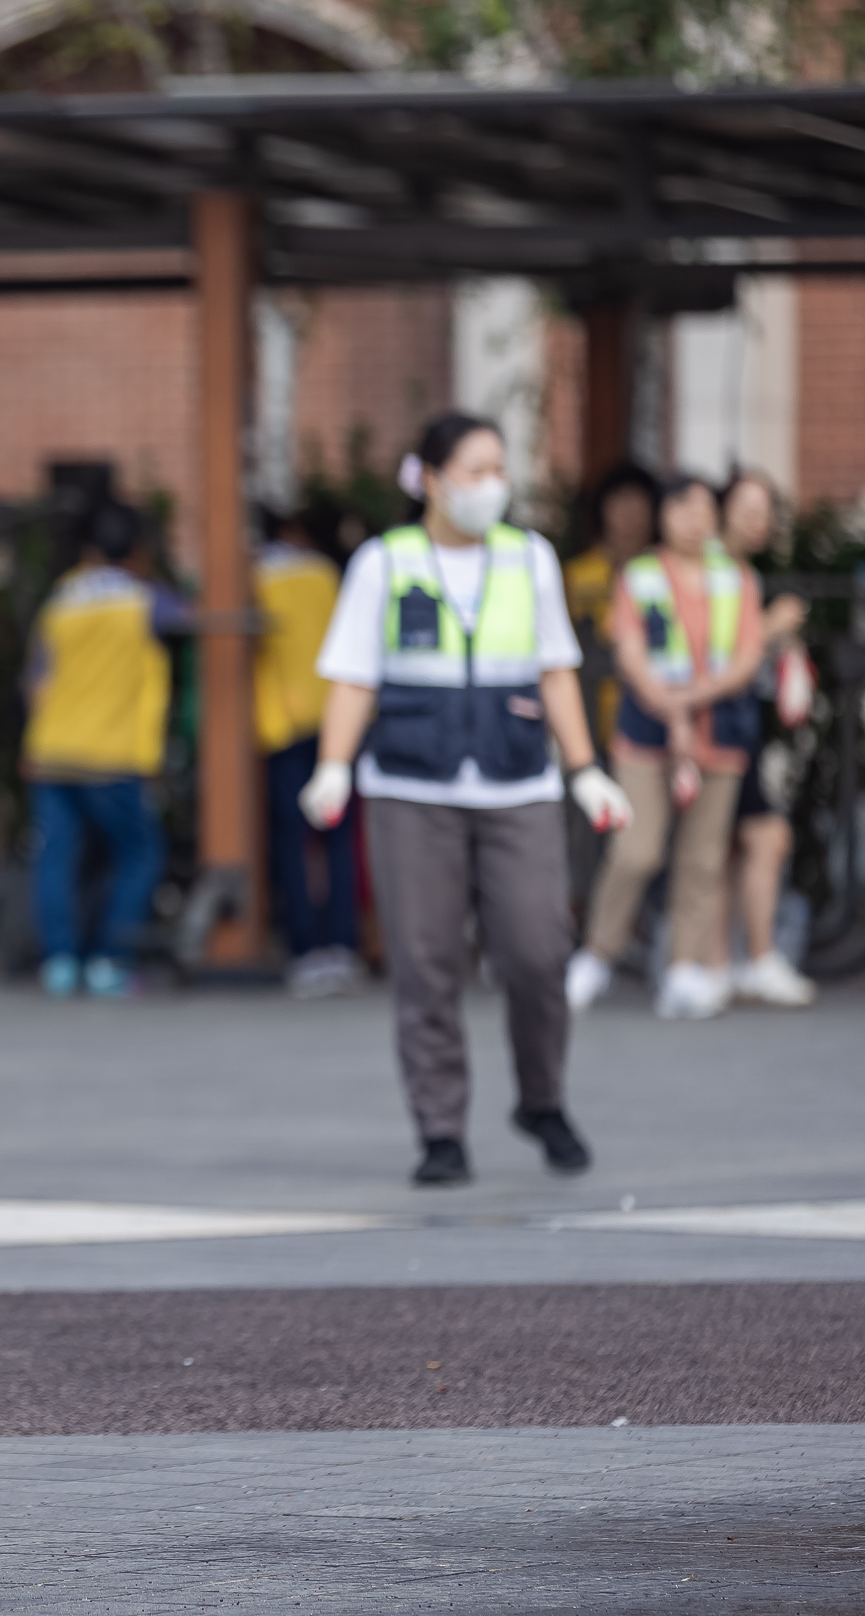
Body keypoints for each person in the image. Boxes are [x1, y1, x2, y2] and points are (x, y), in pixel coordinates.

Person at [301, 412, 631, 1188]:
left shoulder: (530, 559)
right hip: (412, 788)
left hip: (518, 783)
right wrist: (333, 765)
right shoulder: (385, 563)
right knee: (425, 961)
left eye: (499, 470)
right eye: (477, 469)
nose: (493, 486)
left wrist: (585, 770)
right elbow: (354, 673)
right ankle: (441, 1129)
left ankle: (540, 1099)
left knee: (537, 947)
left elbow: (556, 670)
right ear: (432, 477)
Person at [569, 475, 767, 1021]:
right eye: (681, 508)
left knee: (702, 857)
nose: (694, 520)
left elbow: (747, 657)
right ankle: (596, 955)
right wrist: (673, 709)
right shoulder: (640, 576)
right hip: (646, 730)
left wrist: (690, 704)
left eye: (704, 509)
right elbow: (630, 654)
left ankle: (684, 967)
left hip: (718, 730)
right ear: (664, 517)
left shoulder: (736, 578)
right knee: (638, 849)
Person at [20, 495, 175, 999]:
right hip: (114, 753)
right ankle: (112, 958)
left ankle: (60, 962)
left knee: (56, 857)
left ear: (88, 550)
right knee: (139, 853)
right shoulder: (147, 599)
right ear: (137, 551)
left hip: (54, 748)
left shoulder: (60, 600)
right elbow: (205, 619)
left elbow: (37, 680)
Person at [714, 470, 816, 1008]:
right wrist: (770, 629)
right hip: (715, 724)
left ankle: (729, 962)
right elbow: (715, 653)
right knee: (757, 838)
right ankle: (746, 959)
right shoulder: (711, 571)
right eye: (749, 509)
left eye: (767, 512)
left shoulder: (743, 573)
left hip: (740, 722)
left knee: (737, 844)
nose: (761, 522)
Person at [256, 503, 362, 998]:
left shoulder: (253, 577)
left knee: (292, 843)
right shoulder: (327, 575)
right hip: (336, 716)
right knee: (339, 837)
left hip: (281, 723)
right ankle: (342, 945)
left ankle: (303, 950)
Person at [562, 460, 659, 641]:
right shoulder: (575, 574)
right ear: (603, 510)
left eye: (639, 508)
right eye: (622, 508)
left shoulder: (664, 572)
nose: (631, 518)